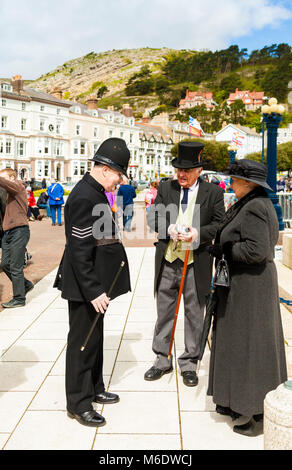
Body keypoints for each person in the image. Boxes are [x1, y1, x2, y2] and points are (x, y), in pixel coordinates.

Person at [53, 137, 131, 428]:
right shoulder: (86, 196)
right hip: (87, 286)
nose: (119, 182)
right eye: (119, 176)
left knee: (94, 338)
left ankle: (94, 387)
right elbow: (79, 250)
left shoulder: (94, 191)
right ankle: (78, 403)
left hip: (96, 283)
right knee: (82, 343)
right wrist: (94, 289)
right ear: (106, 169)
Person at [207, 159, 287, 437]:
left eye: (234, 180)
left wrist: (224, 249)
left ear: (248, 183)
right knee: (240, 344)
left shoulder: (254, 206)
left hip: (251, 287)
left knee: (250, 347)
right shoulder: (251, 202)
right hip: (244, 285)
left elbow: (258, 251)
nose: (230, 183)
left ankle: (252, 410)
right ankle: (235, 401)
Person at [144, 141, 225, 387]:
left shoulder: (213, 193)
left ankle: (189, 361)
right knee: (164, 311)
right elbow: (152, 216)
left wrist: (198, 234)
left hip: (196, 261)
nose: (182, 174)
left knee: (194, 312)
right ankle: (161, 359)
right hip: (168, 259)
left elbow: (220, 224)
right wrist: (167, 228)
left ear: (199, 170)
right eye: (179, 169)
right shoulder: (166, 188)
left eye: (187, 170)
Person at [0, 168, 34, 308]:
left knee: (15, 266)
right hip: (8, 232)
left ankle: (19, 298)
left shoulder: (19, 186)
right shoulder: (9, 194)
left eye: (3, 178)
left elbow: (6, 184)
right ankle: (26, 284)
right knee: (5, 264)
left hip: (19, 230)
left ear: (12, 178)